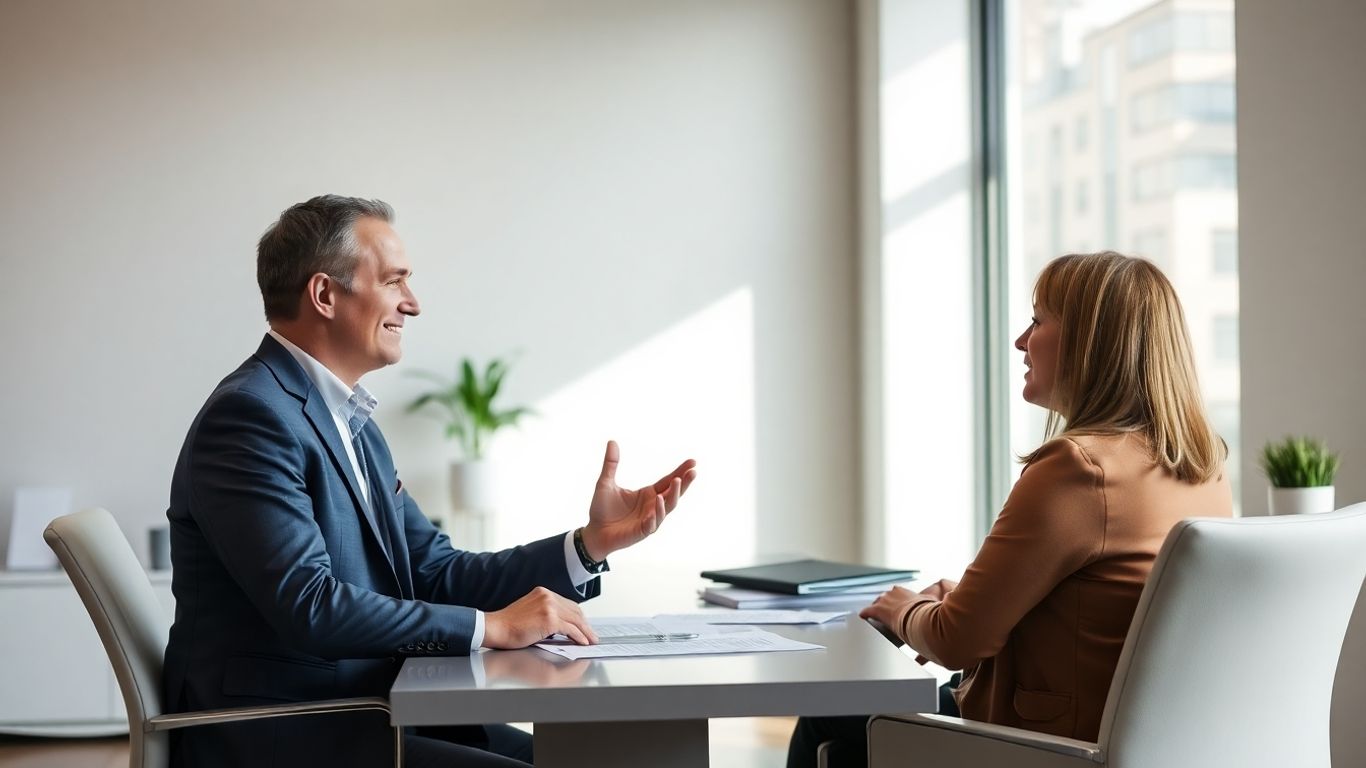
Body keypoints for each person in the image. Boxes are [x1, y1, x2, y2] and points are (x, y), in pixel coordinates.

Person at [164, 195, 698, 768]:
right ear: (324, 295)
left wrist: (589, 546)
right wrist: (490, 626)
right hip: (289, 732)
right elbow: (309, 604)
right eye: (394, 282)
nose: (412, 304)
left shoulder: (353, 425)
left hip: (369, 709)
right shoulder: (251, 416)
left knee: (591, 757)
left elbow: (433, 570)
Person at [787, 251, 1232, 768]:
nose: (1021, 340)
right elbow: (1100, 611)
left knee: (827, 711)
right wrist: (969, 605)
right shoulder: (1204, 465)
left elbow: (956, 642)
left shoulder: (1079, 468)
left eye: (1038, 320)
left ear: (1090, 342)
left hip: (1040, 746)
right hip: (1137, 741)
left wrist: (901, 610)